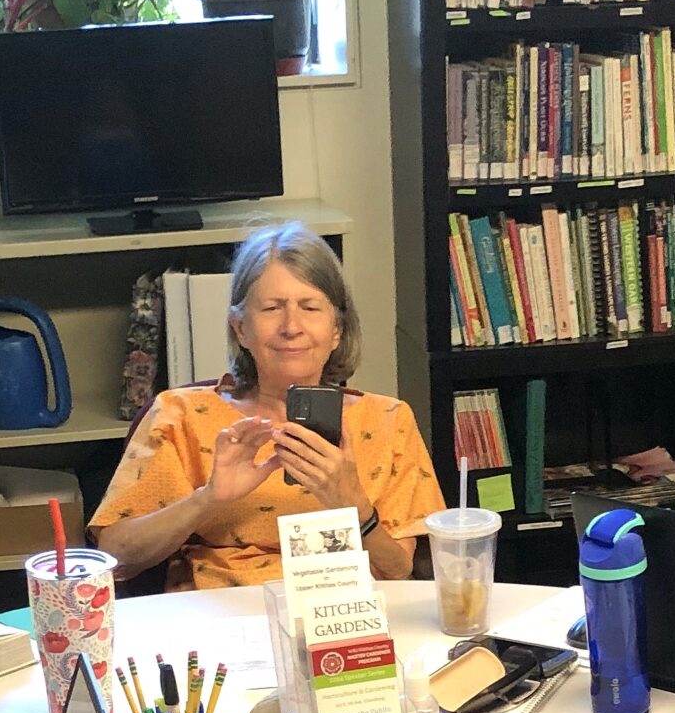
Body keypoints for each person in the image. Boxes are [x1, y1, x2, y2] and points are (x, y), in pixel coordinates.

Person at [90, 222, 440, 590]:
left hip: (344, 618)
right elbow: (114, 559)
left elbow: (400, 571)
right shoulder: (179, 415)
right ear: (240, 328)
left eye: (310, 307)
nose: (292, 326)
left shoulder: (388, 421)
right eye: (272, 308)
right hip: (224, 621)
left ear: (337, 329)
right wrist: (207, 500)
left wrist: (354, 505)